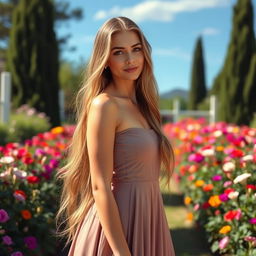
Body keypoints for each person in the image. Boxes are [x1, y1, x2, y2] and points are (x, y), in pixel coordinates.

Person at [55, 16, 176, 256]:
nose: (130, 59)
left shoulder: (143, 106)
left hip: (149, 219)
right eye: (119, 52)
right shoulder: (105, 105)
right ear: (106, 59)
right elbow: (100, 185)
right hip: (116, 229)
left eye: (136, 49)